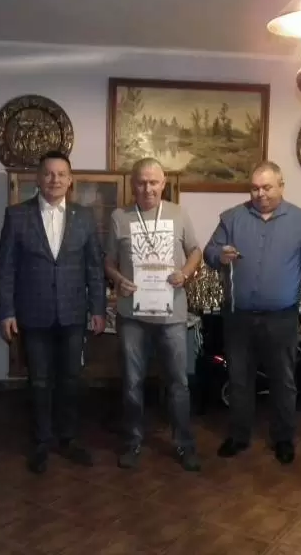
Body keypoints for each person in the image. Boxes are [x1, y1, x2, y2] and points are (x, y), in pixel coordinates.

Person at [203, 161, 301, 464]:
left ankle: (283, 438)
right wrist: (220, 254)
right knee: (239, 379)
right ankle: (239, 435)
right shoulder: (232, 218)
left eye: (267, 187)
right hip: (238, 317)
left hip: (281, 318)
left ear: (281, 186)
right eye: (255, 188)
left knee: (283, 381)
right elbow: (209, 252)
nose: (260, 194)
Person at [0, 151, 106, 474]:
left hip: (73, 313)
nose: (55, 179)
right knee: (39, 381)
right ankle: (42, 441)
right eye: (48, 173)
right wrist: (6, 312)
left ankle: (68, 438)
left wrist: (98, 308)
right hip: (33, 313)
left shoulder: (84, 217)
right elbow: (5, 269)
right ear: (38, 178)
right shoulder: (17, 215)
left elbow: (94, 267)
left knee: (71, 379)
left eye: (61, 174)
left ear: (70, 181)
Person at [105, 158, 202, 471]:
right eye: (141, 182)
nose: (147, 188)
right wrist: (118, 279)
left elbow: (195, 251)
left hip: (172, 316)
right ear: (133, 184)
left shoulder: (179, 213)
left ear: (163, 184)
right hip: (132, 316)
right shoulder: (119, 217)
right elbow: (109, 261)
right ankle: (133, 442)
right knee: (132, 382)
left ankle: (184, 444)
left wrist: (184, 273)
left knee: (178, 383)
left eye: (153, 182)